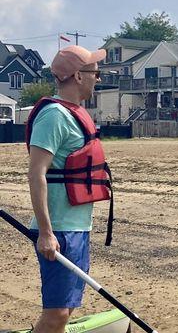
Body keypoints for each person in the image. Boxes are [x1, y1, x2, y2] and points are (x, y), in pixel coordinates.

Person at [26, 45, 108, 333]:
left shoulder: (76, 113)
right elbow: (36, 174)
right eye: (95, 73)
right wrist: (46, 234)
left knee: (67, 308)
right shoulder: (55, 116)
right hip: (58, 228)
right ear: (78, 75)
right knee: (57, 312)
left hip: (77, 226)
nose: (98, 78)